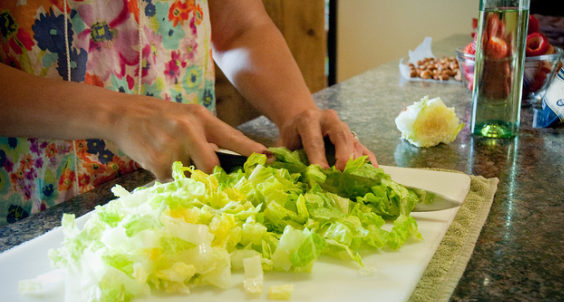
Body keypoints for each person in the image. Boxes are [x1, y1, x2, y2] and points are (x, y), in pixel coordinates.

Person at [0, 0, 377, 226]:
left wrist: (297, 112)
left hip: (192, 186)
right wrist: (115, 114)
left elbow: (241, 27)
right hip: (35, 204)